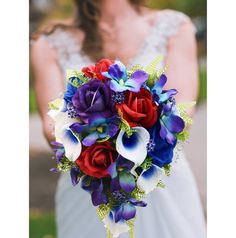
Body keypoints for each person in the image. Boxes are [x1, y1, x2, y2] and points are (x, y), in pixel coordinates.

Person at [31, 0, 206, 237]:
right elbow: (52, 126)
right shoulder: (48, 43)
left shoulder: (173, 26)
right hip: (90, 188)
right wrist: (102, 153)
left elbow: (182, 111)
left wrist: (132, 146)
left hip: (161, 179)